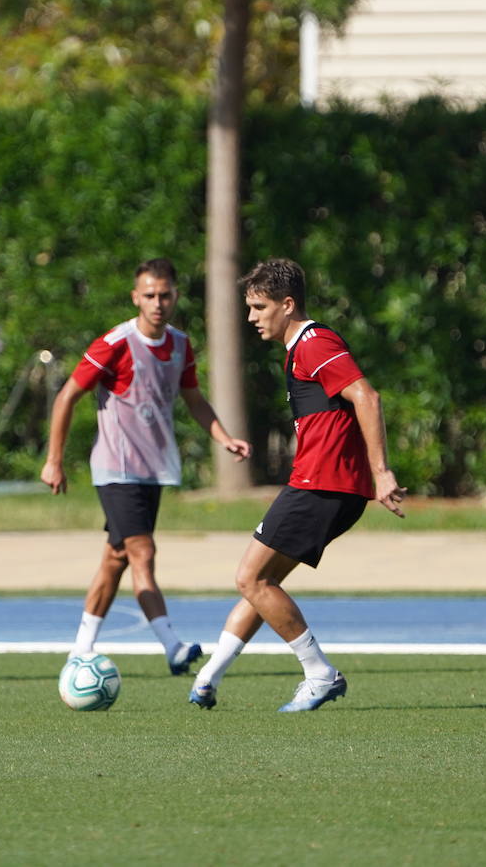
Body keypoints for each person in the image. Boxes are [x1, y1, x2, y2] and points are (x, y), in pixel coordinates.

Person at [188, 258, 407, 713]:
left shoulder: (313, 341)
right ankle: (209, 676)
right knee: (261, 582)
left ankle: (319, 673)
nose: (252, 317)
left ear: (288, 305)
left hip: (322, 484)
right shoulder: (298, 349)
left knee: (250, 577)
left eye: (259, 306)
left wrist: (381, 471)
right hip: (327, 484)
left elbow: (366, 395)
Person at [40, 258, 251, 675]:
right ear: (136, 297)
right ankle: (172, 644)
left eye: (165, 294)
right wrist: (54, 460)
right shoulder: (115, 343)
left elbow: (193, 398)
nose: (158, 302)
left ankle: (80, 650)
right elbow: (67, 396)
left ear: (175, 296)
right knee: (142, 552)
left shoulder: (179, 344)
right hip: (115, 467)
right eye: (149, 295)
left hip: (153, 469)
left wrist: (223, 437)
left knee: (116, 558)